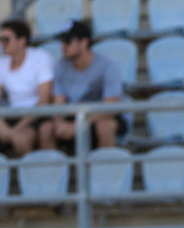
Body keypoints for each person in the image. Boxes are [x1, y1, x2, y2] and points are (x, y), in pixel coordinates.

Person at [38, 20, 127, 151]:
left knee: (105, 126)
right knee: (46, 129)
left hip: (98, 116)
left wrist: (78, 125)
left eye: (68, 42)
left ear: (84, 42)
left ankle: (105, 164)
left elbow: (110, 106)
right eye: (62, 42)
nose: (63, 46)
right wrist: (59, 123)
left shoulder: (108, 66)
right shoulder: (60, 66)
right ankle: (55, 165)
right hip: (73, 115)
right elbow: (58, 101)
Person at [0, 18, 53, 156]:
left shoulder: (40, 58)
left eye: (6, 39)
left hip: (36, 115)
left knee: (22, 139)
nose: (2, 44)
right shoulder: (2, 63)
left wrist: (16, 130)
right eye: (1, 40)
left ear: (22, 41)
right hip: (11, 115)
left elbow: (43, 101)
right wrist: (3, 128)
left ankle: (29, 170)